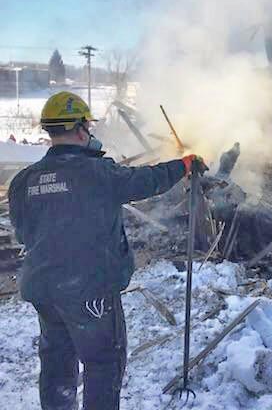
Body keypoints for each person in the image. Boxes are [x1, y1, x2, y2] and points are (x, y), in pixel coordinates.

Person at [9, 91, 204, 410]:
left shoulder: (23, 182)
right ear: (81, 128)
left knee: (57, 365)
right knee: (102, 364)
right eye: (87, 126)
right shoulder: (98, 174)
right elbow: (147, 180)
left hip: (43, 289)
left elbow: (24, 232)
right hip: (89, 291)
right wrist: (184, 164)